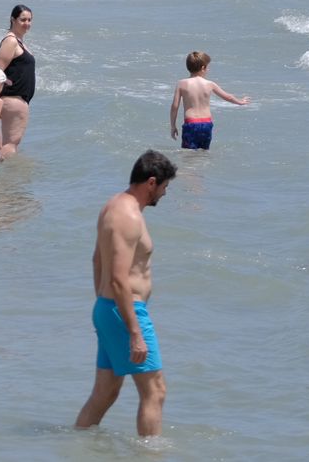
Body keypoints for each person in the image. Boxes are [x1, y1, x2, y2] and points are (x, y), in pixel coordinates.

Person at [75, 150, 176, 438]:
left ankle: (77, 445)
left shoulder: (113, 206)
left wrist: (103, 307)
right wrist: (134, 332)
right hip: (126, 311)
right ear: (151, 182)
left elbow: (97, 260)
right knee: (155, 391)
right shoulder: (128, 216)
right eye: (165, 187)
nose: (165, 194)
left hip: (111, 309)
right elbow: (119, 279)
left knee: (106, 391)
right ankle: (149, 455)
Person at [168, 51, 250, 150]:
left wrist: (173, 126)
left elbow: (175, 106)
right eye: (208, 67)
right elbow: (228, 97)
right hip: (206, 124)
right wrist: (240, 102)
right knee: (204, 151)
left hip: (191, 123)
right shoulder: (209, 84)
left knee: (188, 153)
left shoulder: (181, 84)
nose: (208, 69)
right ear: (203, 68)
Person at [0, 5, 36, 157]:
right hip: (12, 99)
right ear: (13, 20)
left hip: (16, 100)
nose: (27, 23)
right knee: (10, 145)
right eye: (23, 20)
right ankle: (6, 173)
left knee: (9, 144)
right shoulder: (11, 41)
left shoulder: (18, 41)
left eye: (29, 20)